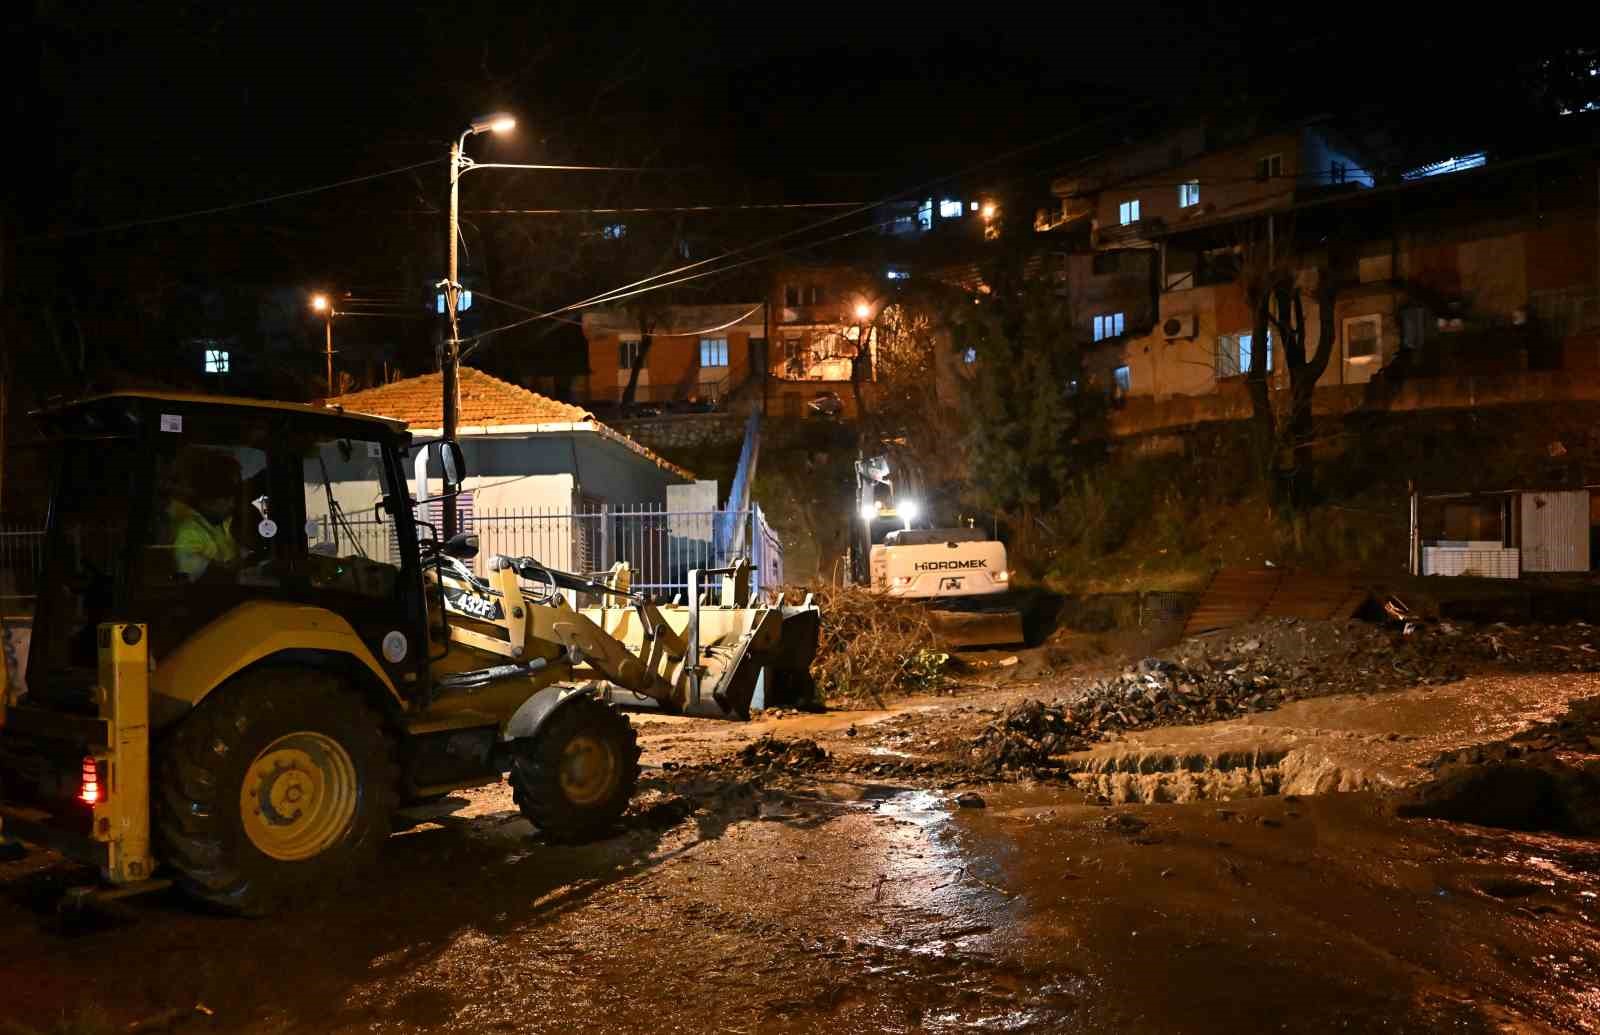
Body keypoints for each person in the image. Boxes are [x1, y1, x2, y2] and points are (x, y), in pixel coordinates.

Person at [170, 449, 243, 580]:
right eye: (226, 498)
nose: (232, 504)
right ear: (207, 499)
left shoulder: (224, 524)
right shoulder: (188, 532)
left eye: (234, 497)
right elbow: (200, 574)